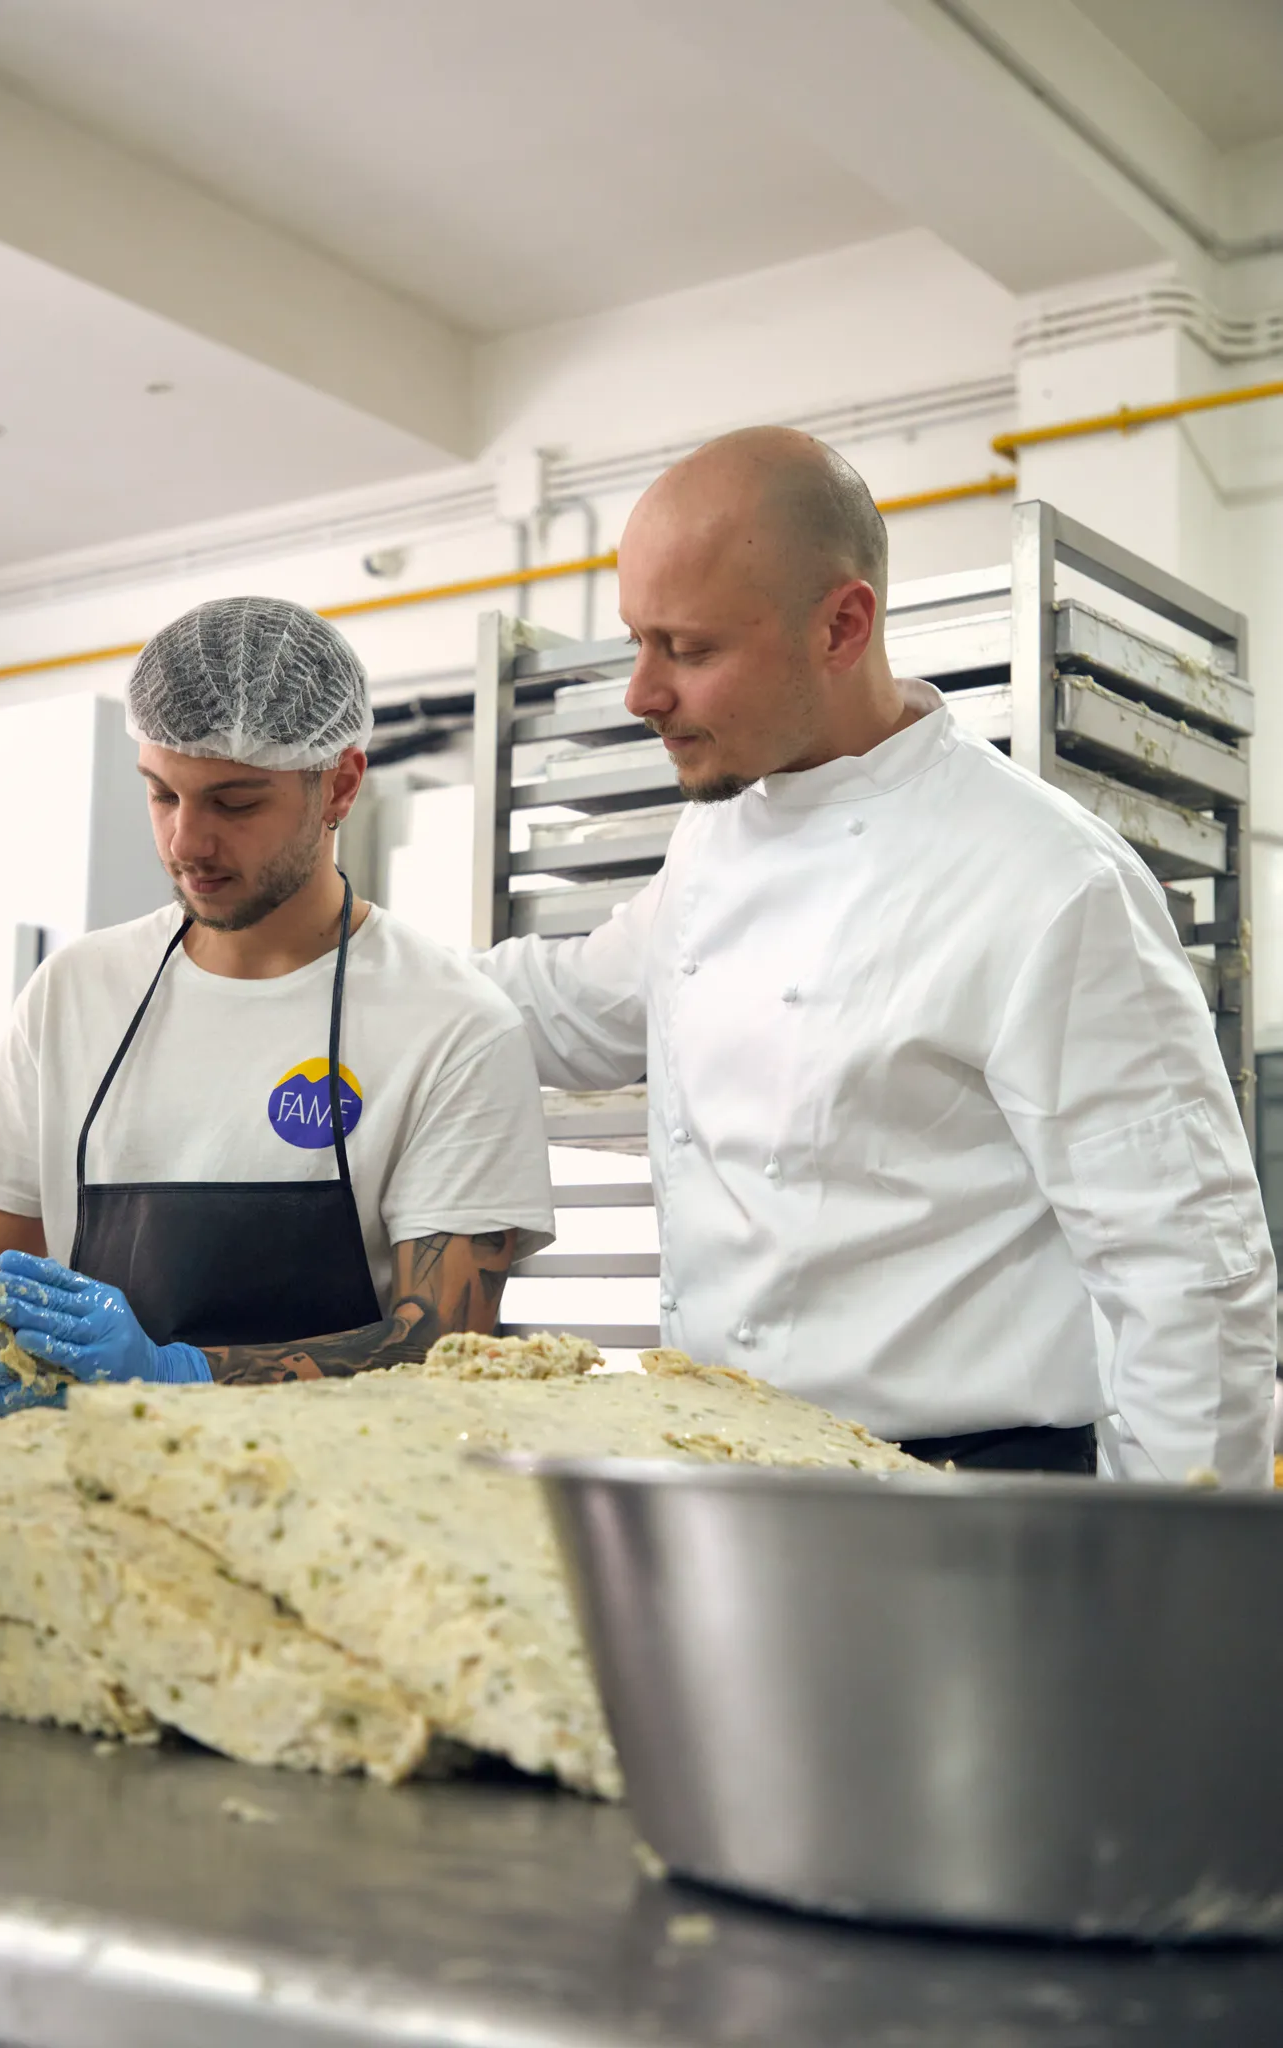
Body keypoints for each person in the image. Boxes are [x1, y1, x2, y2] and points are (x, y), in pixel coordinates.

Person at [479, 427, 1277, 1484]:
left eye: (690, 649)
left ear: (841, 627)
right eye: (637, 641)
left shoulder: (1047, 879)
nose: (641, 693)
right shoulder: (718, 832)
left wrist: (1174, 1560)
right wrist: (344, 962)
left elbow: (1187, 1269)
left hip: (967, 1496)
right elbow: (579, 1004)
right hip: (736, 1471)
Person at [0, 597, 553, 1418]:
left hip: (336, 1494)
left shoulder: (453, 1027)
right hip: (91, 1481)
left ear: (340, 786)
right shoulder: (73, 993)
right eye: (162, 794)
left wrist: (178, 1376)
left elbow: (444, 1346)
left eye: (234, 803)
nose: (186, 842)